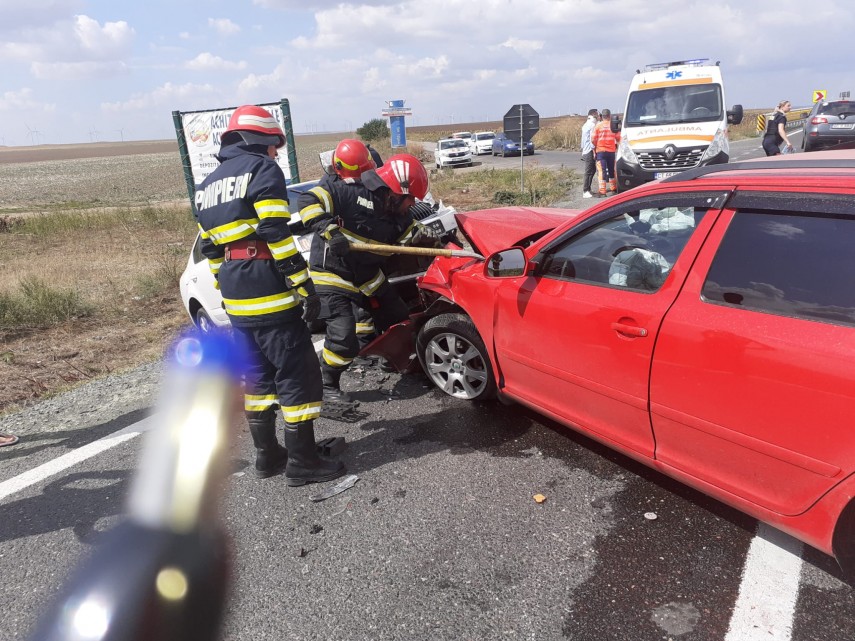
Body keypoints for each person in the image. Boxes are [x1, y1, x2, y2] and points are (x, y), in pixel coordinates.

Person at [194, 104, 345, 486]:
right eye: (274, 145)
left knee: (257, 376)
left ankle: (267, 456)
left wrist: (228, 288)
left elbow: (212, 251)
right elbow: (275, 234)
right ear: (260, 140)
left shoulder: (206, 186)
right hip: (268, 285)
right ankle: (303, 462)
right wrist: (302, 284)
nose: (276, 153)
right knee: (296, 372)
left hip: (235, 292)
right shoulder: (262, 170)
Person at [298, 153, 437, 406]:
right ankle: (327, 386)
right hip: (333, 271)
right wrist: (328, 230)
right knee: (342, 335)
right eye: (410, 199)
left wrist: (428, 236)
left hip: (366, 273)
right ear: (394, 192)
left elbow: (409, 233)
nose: (412, 204)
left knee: (396, 315)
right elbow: (308, 201)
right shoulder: (350, 193)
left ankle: (379, 355)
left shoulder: (400, 215)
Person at [591, 108, 621, 196]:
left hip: (601, 151)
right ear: (610, 116)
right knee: (612, 170)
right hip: (611, 151)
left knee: (601, 171)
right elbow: (618, 138)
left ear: (602, 116)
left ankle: (602, 190)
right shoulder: (613, 125)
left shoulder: (598, 126)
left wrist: (597, 145)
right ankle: (613, 188)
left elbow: (593, 139)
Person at [580, 108, 600, 198]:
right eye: (597, 113)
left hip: (586, 150)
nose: (598, 115)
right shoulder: (591, 125)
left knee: (592, 170)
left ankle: (588, 189)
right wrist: (594, 150)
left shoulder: (586, 124)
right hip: (589, 151)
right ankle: (585, 191)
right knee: (589, 171)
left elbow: (583, 141)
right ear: (593, 114)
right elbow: (592, 140)